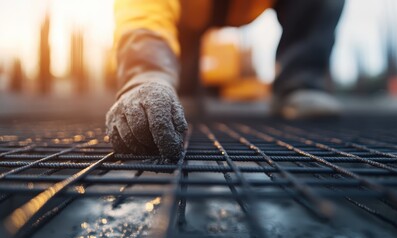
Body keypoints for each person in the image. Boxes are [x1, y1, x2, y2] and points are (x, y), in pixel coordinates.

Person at [106, 0, 345, 162]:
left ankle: (299, 81)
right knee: (178, 101)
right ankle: (182, 91)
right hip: (187, 11)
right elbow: (142, 12)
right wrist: (147, 74)